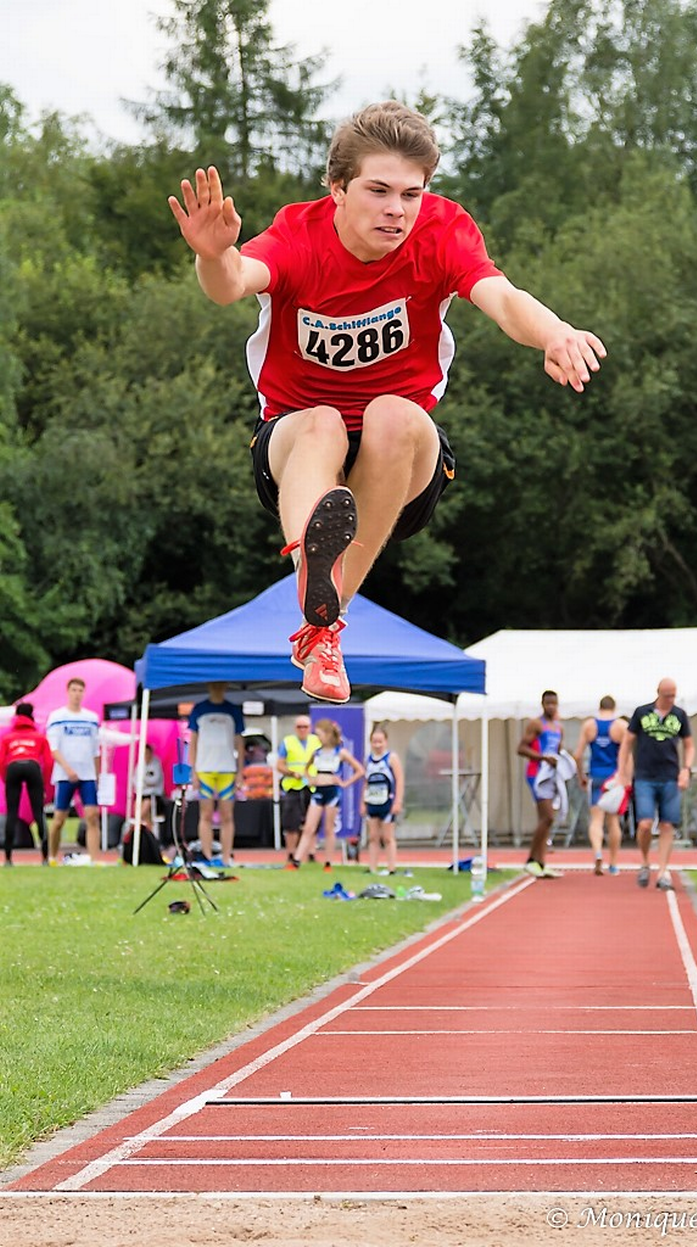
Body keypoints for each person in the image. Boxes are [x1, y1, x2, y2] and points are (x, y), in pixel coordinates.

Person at [168, 101, 606, 706]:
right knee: (321, 422)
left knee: (394, 411)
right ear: (337, 188)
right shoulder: (300, 235)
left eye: (412, 193)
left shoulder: (441, 232)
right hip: (297, 448)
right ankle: (321, 624)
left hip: (400, 460)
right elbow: (232, 286)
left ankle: (325, 613)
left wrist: (555, 331)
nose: (396, 211)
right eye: (378, 191)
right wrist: (213, 255)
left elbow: (502, 298)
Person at [613, 678, 695, 891]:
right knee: (645, 824)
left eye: (673, 695)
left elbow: (689, 745)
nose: (670, 699)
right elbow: (627, 743)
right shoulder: (642, 713)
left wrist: (686, 769)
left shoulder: (679, 715)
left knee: (667, 825)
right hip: (645, 777)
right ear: (658, 693)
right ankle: (645, 860)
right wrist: (622, 772)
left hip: (670, 776)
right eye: (667, 695)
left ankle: (663, 870)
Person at [290, 719, 364, 870]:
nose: (318, 738)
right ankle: (296, 860)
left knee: (329, 828)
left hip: (333, 791)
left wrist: (345, 783)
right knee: (309, 827)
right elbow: (306, 768)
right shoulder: (317, 752)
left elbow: (360, 770)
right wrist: (309, 779)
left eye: (320, 735)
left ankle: (328, 862)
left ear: (328, 734)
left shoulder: (340, 752)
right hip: (318, 790)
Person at [187, 683, 245, 866]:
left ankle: (227, 857)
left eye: (220, 686)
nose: (217, 689)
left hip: (227, 769)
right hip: (205, 769)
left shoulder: (233, 710)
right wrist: (193, 771)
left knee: (227, 815)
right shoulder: (199, 709)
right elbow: (193, 742)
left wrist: (240, 772)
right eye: (214, 686)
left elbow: (240, 744)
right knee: (206, 814)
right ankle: (207, 855)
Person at [46, 678, 102, 864]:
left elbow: (96, 750)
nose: (77, 694)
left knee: (92, 816)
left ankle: (94, 859)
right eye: (74, 690)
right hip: (64, 774)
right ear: (68, 692)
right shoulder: (57, 717)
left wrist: (97, 774)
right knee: (59, 819)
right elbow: (54, 748)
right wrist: (68, 769)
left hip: (87, 774)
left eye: (80, 690)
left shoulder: (91, 719)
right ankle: (52, 855)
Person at [574, 695, 630, 876]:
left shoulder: (589, 726)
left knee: (596, 820)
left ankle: (598, 853)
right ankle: (613, 863)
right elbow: (628, 755)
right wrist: (626, 778)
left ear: (600, 708)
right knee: (613, 821)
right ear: (614, 708)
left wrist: (581, 775)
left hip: (596, 776)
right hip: (613, 778)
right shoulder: (621, 726)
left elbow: (577, 754)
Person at [516, 690, 566, 878]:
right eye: (547, 703)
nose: (551, 707)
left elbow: (558, 751)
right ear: (542, 704)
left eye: (554, 703)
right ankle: (531, 860)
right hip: (536, 775)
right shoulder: (536, 724)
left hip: (551, 776)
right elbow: (521, 748)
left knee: (546, 820)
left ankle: (541, 862)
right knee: (547, 817)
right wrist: (542, 758)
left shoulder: (559, 727)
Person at [0, 702, 52, 865]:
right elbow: (49, 762)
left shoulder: (7, 737)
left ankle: (8, 859)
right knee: (39, 813)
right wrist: (43, 782)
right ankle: (44, 858)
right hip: (33, 766)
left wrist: (5, 778)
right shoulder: (39, 737)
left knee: (12, 813)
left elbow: (1, 760)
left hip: (13, 767)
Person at [276, 715, 321, 861]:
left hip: (312, 786)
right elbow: (279, 764)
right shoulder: (288, 742)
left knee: (312, 821)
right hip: (293, 785)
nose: (302, 730)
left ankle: (312, 852)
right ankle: (291, 853)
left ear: (310, 728)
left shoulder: (317, 741)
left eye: (305, 727)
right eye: (299, 727)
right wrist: (291, 772)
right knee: (291, 822)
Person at [361, 724, 404, 875]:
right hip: (372, 802)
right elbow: (365, 782)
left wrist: (398, 801)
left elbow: (399, 780)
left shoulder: (391, 758)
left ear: (386, 741)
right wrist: (362, 802)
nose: (377, 745)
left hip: (387, 802)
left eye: (380, 741)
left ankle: (392, 868)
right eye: (374, 741)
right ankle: (372, 867)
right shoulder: (368, 760)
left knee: (388, 837)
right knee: (373, 837)